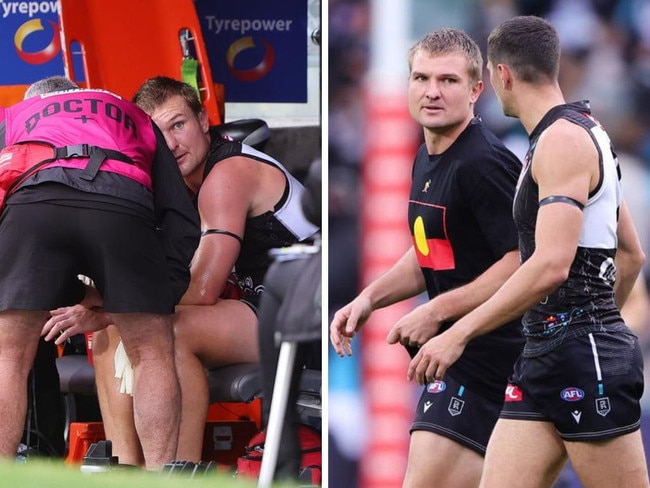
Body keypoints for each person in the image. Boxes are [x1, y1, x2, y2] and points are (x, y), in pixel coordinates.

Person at [407, 16, 650, 487]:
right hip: (542, 356)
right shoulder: (586, 131)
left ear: (501, 76)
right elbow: (632, 254)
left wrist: (457, 331)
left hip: (581, 356)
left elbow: (551, 265)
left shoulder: (560, 141)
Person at [43, 76, 319, 466]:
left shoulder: (228, 173)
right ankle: (127, 470)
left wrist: (109, 304)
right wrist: (112, 312)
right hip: (266, 307)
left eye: (178, 125)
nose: (170, 143)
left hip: (314, 317)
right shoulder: (176, 187)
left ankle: (176, 472)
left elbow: (203, 288)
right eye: (159, 133)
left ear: (203, 122)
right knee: (119, 326)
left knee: (167, 330)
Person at [330, 29, 525, 487]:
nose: (432, 91)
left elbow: (522, 260)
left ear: (477, 89)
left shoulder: (483, 163)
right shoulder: (429, 155)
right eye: (421, 77)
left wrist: (436, 311)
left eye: (448, 80)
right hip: (457, 358)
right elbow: (429, 252)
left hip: (496, 365)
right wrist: (369, 300)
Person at [0, 76, 200, 470]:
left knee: (8, 357)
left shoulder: (14, 116)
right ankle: (162, 475)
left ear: (39, 103)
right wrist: (163, 291)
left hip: (32, 205)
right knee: (151, 354)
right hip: (121, 203)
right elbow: (181, 216)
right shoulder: (133, 115)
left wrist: (60, 288)